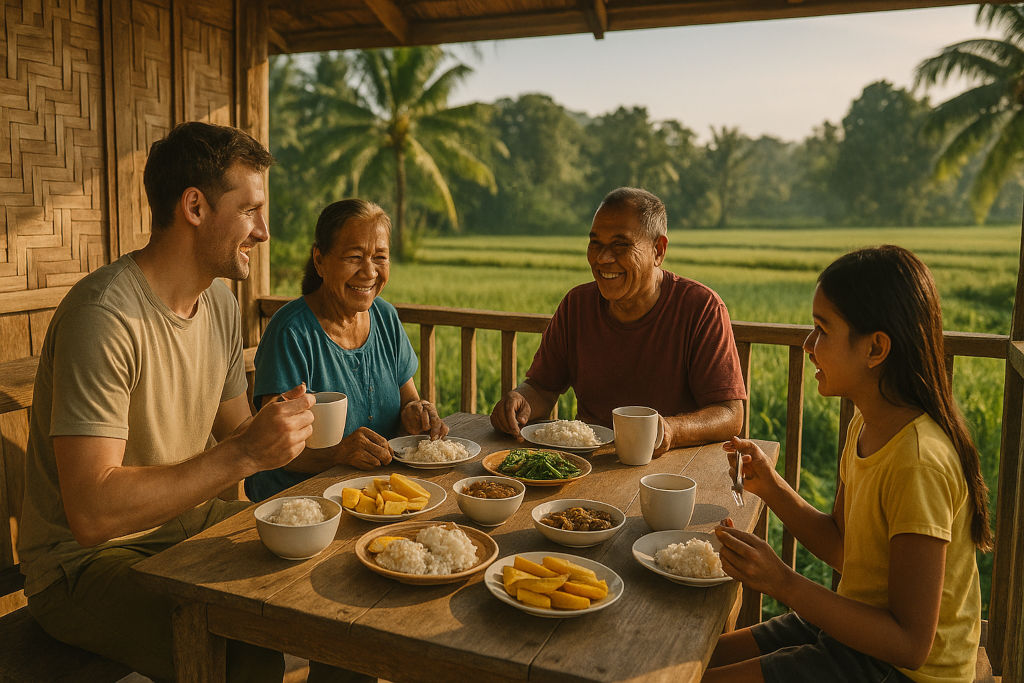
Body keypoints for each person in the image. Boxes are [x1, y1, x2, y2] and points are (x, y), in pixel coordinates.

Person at [16, 122, 315, 681]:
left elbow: (238, 433)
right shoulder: (104, 317)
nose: (264, 231)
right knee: (243, 650)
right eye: (250, 210)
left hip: (188, 529)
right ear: (195, 206)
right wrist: (247, 453)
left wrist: (288, 434)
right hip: (84, 566)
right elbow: (92, 512)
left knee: (325, 574)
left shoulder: (220, 305)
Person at [705, 246, 991, 683]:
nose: (807, 345)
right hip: (854, 628)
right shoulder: (868, 424)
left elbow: (911, 645)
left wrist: (783, 583)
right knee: (697, 660)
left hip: (901, 669)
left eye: (822, 330)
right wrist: (770, 485)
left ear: (875, 348)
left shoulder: (918, 463)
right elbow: (843, 547)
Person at [490, 187, 746, 454]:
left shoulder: (701, 307)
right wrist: (521, 399)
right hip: (589, 463)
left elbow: (729, 413)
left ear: (658, 250)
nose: (602, 258)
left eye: (620, 245)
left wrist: (669, 430)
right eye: (595, 243)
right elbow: (542, 387)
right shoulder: (577, 305)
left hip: (670, 470)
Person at [244, 199, 447, 502]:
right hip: (298, 505)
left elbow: (409, 401)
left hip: (374, 496)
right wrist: (338, 453)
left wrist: (417, 413)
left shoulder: (386, 318)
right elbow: (269, 449)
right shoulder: (291, 332)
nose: (369, 272)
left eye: (380, 257)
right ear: (320, 260)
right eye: (354, 257)